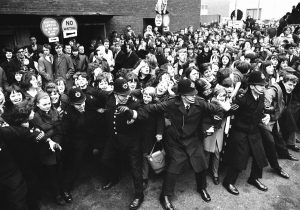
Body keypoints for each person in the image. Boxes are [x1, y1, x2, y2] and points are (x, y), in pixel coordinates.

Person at [131, 79, 230, 209]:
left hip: (193, 139)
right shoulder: (172, 103)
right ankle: (165, 196)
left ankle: (202, 188)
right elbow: (151, 108)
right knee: (174, 165)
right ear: (182, 95)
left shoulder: (200, 102)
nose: (194, 96)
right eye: (190, 95)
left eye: (194, 93)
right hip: (174, 140)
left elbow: (218, 110)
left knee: (201, 163)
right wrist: (133, 112)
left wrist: (213, 126)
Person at [223, 71, 270, 196]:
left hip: (254, 131)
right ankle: (228, 182)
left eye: (264, 85)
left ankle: (253, 178)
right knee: (239, 158)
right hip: (240, 132)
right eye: (260, 85)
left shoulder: (260, 96)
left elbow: (261, 110)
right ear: (252, 86)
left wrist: (266, 116)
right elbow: (227, 112)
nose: (263, 88)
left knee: (259, 155)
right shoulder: (242, 99)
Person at [101, 77, 144, 210]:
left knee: (135, 167)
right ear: (115, 94)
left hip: (131, 140)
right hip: (113, 138)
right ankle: (114, 178)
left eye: (127, 94)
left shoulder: (135, 102)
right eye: (122, 95)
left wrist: (131, 113)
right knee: (106, 159)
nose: (126, 97)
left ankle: (139, 195)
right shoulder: (109, 98)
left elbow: (143, 115)